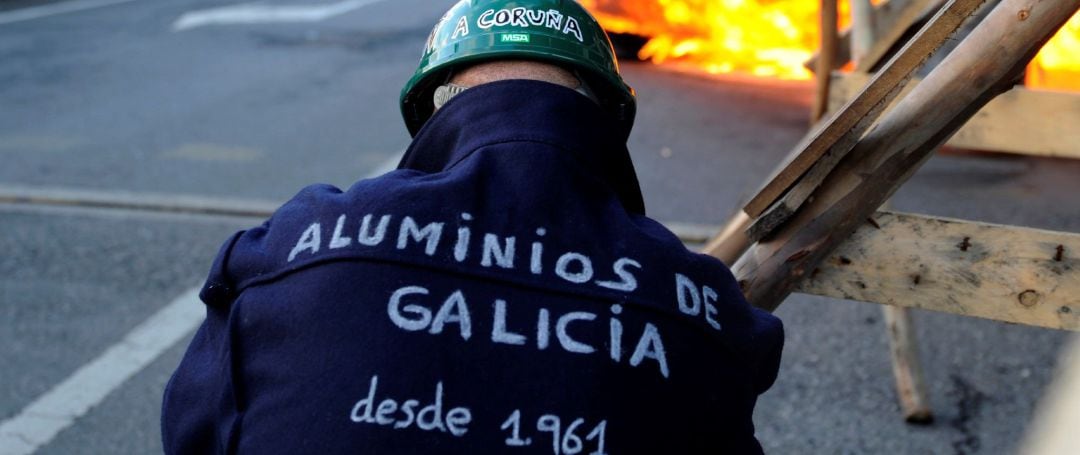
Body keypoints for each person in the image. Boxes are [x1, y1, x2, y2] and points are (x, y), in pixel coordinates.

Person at [161, 0, 784, 453]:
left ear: (434, 107)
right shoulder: (709, 312)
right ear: (603, 117)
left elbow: (193, 429)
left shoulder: (297, 244)